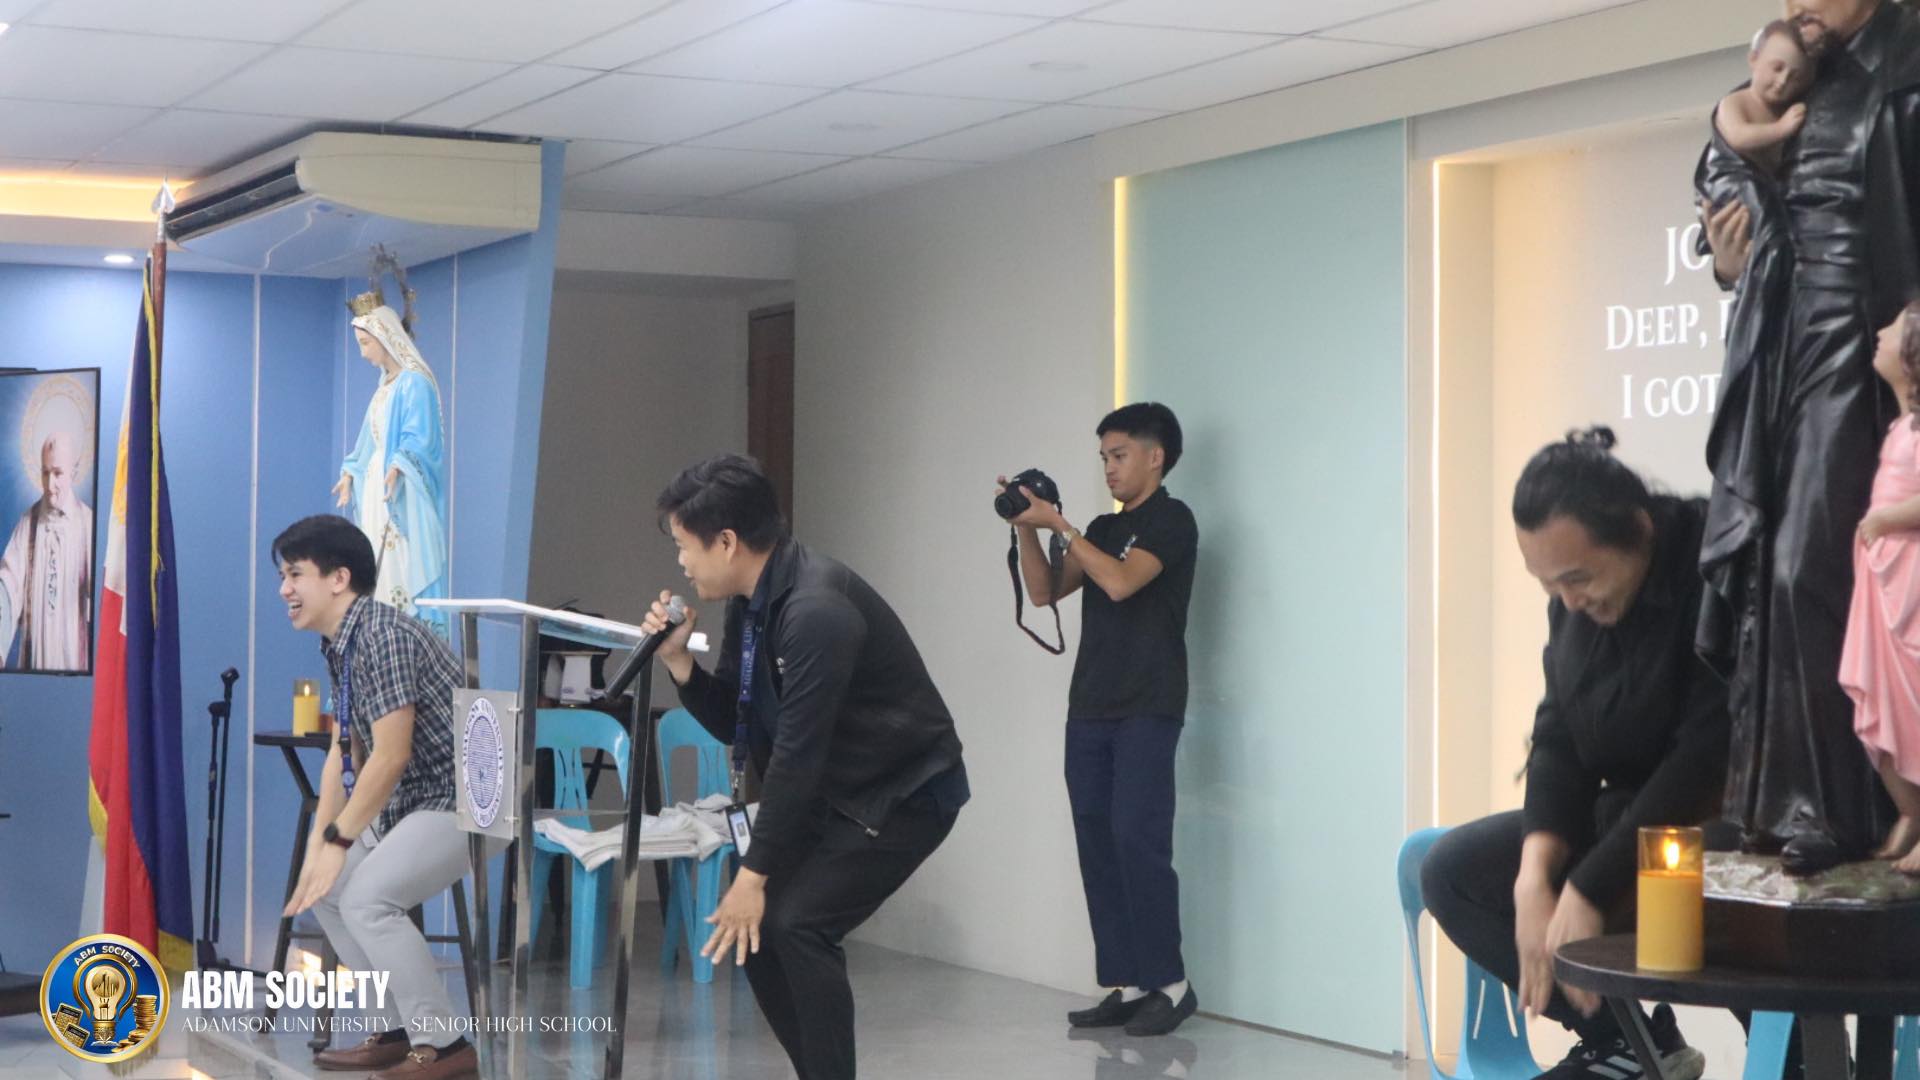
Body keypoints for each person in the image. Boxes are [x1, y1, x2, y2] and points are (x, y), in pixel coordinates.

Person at [637, 454, 969, 1080]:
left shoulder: (817, 610)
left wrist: (753, 875)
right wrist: (680, 664)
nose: (680, 562)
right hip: (836, 791)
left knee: (796, 925)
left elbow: (798, 753)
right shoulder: (752, 600)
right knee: (756, 936)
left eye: (684, 546)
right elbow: (739, 720)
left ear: (726, 542)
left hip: (905, 795)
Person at [1693, 0, 1920, 875]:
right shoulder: (1787, 75)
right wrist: (1729, 259)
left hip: (1864, 344)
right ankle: (1782, 801)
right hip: (1781, 339)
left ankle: (1831, 806)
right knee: (1765, 567)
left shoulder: (1906, 65)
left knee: (1806, 567)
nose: (1797, 5)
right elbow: (1726, 190)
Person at [1422, 429, 1726, 1080]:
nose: (1568, 601)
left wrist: (1590, 887)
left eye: (1578, 578)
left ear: (1639, 530)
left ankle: (1800, 1059)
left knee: (1719, 879)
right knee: (1454, 870)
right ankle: (1629, 1044)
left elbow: (1708, 756)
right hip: (1623, 821)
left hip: (1726, 824)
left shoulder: (1716, 569)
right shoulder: (1573, 605)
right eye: (1548, 585)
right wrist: (1535, 876)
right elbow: (1559, 733)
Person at [1000, 402, 1200, 1038]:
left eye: (1119, 455)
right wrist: (1027, 527)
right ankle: (1129, 982)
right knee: (1098, 842)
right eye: (1103, 458)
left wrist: (1060, 523)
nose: (1109, 468)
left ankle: (1172, 985)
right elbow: (1043, 592)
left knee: (1139, 839)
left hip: (1149, 706)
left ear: (1155, 457)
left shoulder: (1173, 520)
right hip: (1089, 707)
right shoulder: (1100, 528)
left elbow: (1119, 583)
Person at [274, 514, 480, 1080]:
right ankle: (396, 1031)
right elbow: (342, 753)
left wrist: (340, 840)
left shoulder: (383, 635)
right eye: (283, 577)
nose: (284, 589)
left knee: (367, 899)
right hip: (416, 805)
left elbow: (391, 756)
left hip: (463, 802)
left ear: (338, 578)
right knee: (330, 890)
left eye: (295, 574)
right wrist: (320, 850)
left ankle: (445, 1045)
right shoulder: (342, 644)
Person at [1842, 302, 1920, 870]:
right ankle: (1911, 813)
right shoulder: (1899, 429)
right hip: (1880, 581)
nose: (1881, 334)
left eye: (1894, 330)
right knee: (1879, 701)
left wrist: (1887, 520)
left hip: (1911, 579)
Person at [335, 304, 449, 638]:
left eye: (365, 343)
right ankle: (381, 631)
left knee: (401, 557)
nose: (362, 353)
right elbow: (367, 442)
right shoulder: (384, 388)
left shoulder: (415, 383)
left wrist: (400, 463)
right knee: (375, 559)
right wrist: (350, 472)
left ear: (385, 338)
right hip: (376, 484)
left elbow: (423, 437)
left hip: (401, 487)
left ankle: (406, 633)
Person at [0, 431, 93, 671]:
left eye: (58, 473)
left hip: (75, 662)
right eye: (45, 472)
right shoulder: (27, 524)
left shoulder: (88, 525)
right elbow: (7, 588)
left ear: (73, 472)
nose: (50, 485)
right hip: (34, 666)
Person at [1714, 21, 1815, 174]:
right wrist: (1780, 128)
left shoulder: (1789, 109)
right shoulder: (1734, 102)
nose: (1782, 81)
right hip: (1741, 179)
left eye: (1794, 77)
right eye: (1777, 68)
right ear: (1753, 59)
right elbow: (1738, 137)